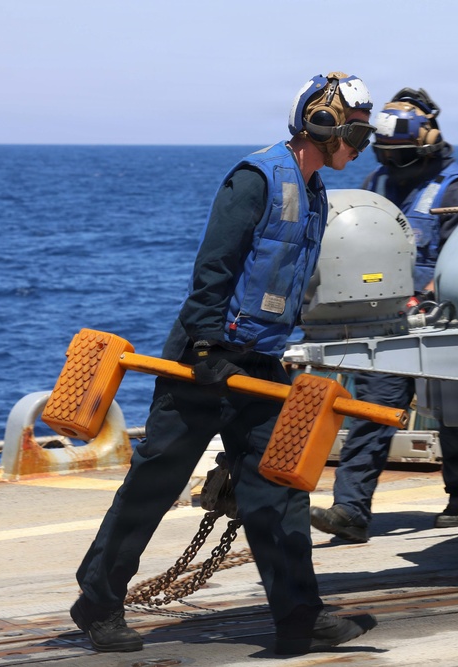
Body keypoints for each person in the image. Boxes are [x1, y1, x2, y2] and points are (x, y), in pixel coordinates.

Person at [70, 72, 379, 655]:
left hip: (259, 362)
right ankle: (98, 601)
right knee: (154, 484)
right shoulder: (254, 179)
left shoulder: (314, 194)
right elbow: (213, 269)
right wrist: (209, 347)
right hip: (205, 357)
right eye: (356, 134)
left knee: (277, 489)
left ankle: (298, 617)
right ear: (322, 124)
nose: (360, 147)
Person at [310, 88, 458, 544]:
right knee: (373, 409)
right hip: (386, 319)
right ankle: (350, 510)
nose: (392, 164)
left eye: (401, 155)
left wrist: (426, 295)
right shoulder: (376, 184)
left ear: (426, 143)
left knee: (453, 414)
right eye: (385, 154)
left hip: (439, 317)